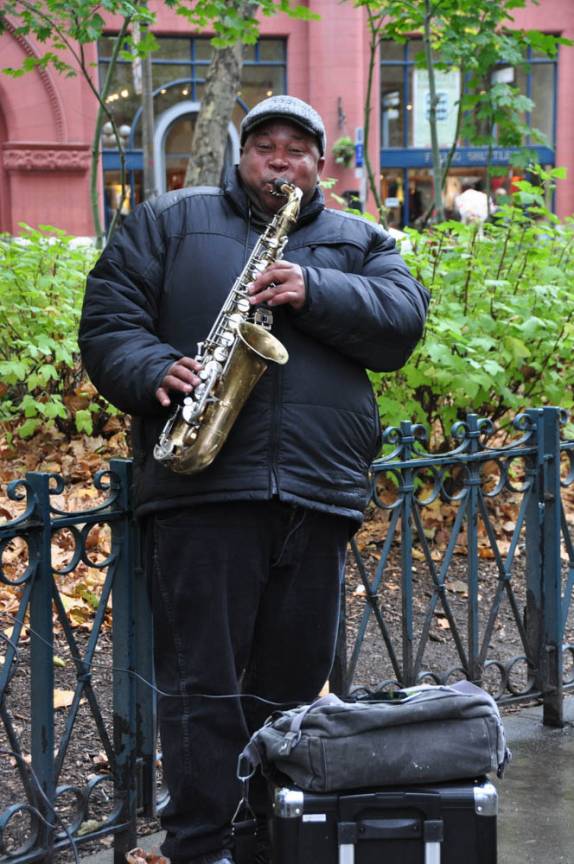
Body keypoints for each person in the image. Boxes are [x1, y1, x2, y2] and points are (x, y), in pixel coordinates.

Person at [79, 95, 429, 864]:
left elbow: (402, 325)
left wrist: (315, 288)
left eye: (297, 148)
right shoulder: (169, 221)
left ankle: (281, 835)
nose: (280, 160)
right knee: (203, 684)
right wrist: (151, 369)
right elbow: (108, 320)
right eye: (264, 146)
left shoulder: (363, 240)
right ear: (239, 157)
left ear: (320, 164)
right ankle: (204, 845)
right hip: (205, 487)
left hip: (316, 489)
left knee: (295, 690)